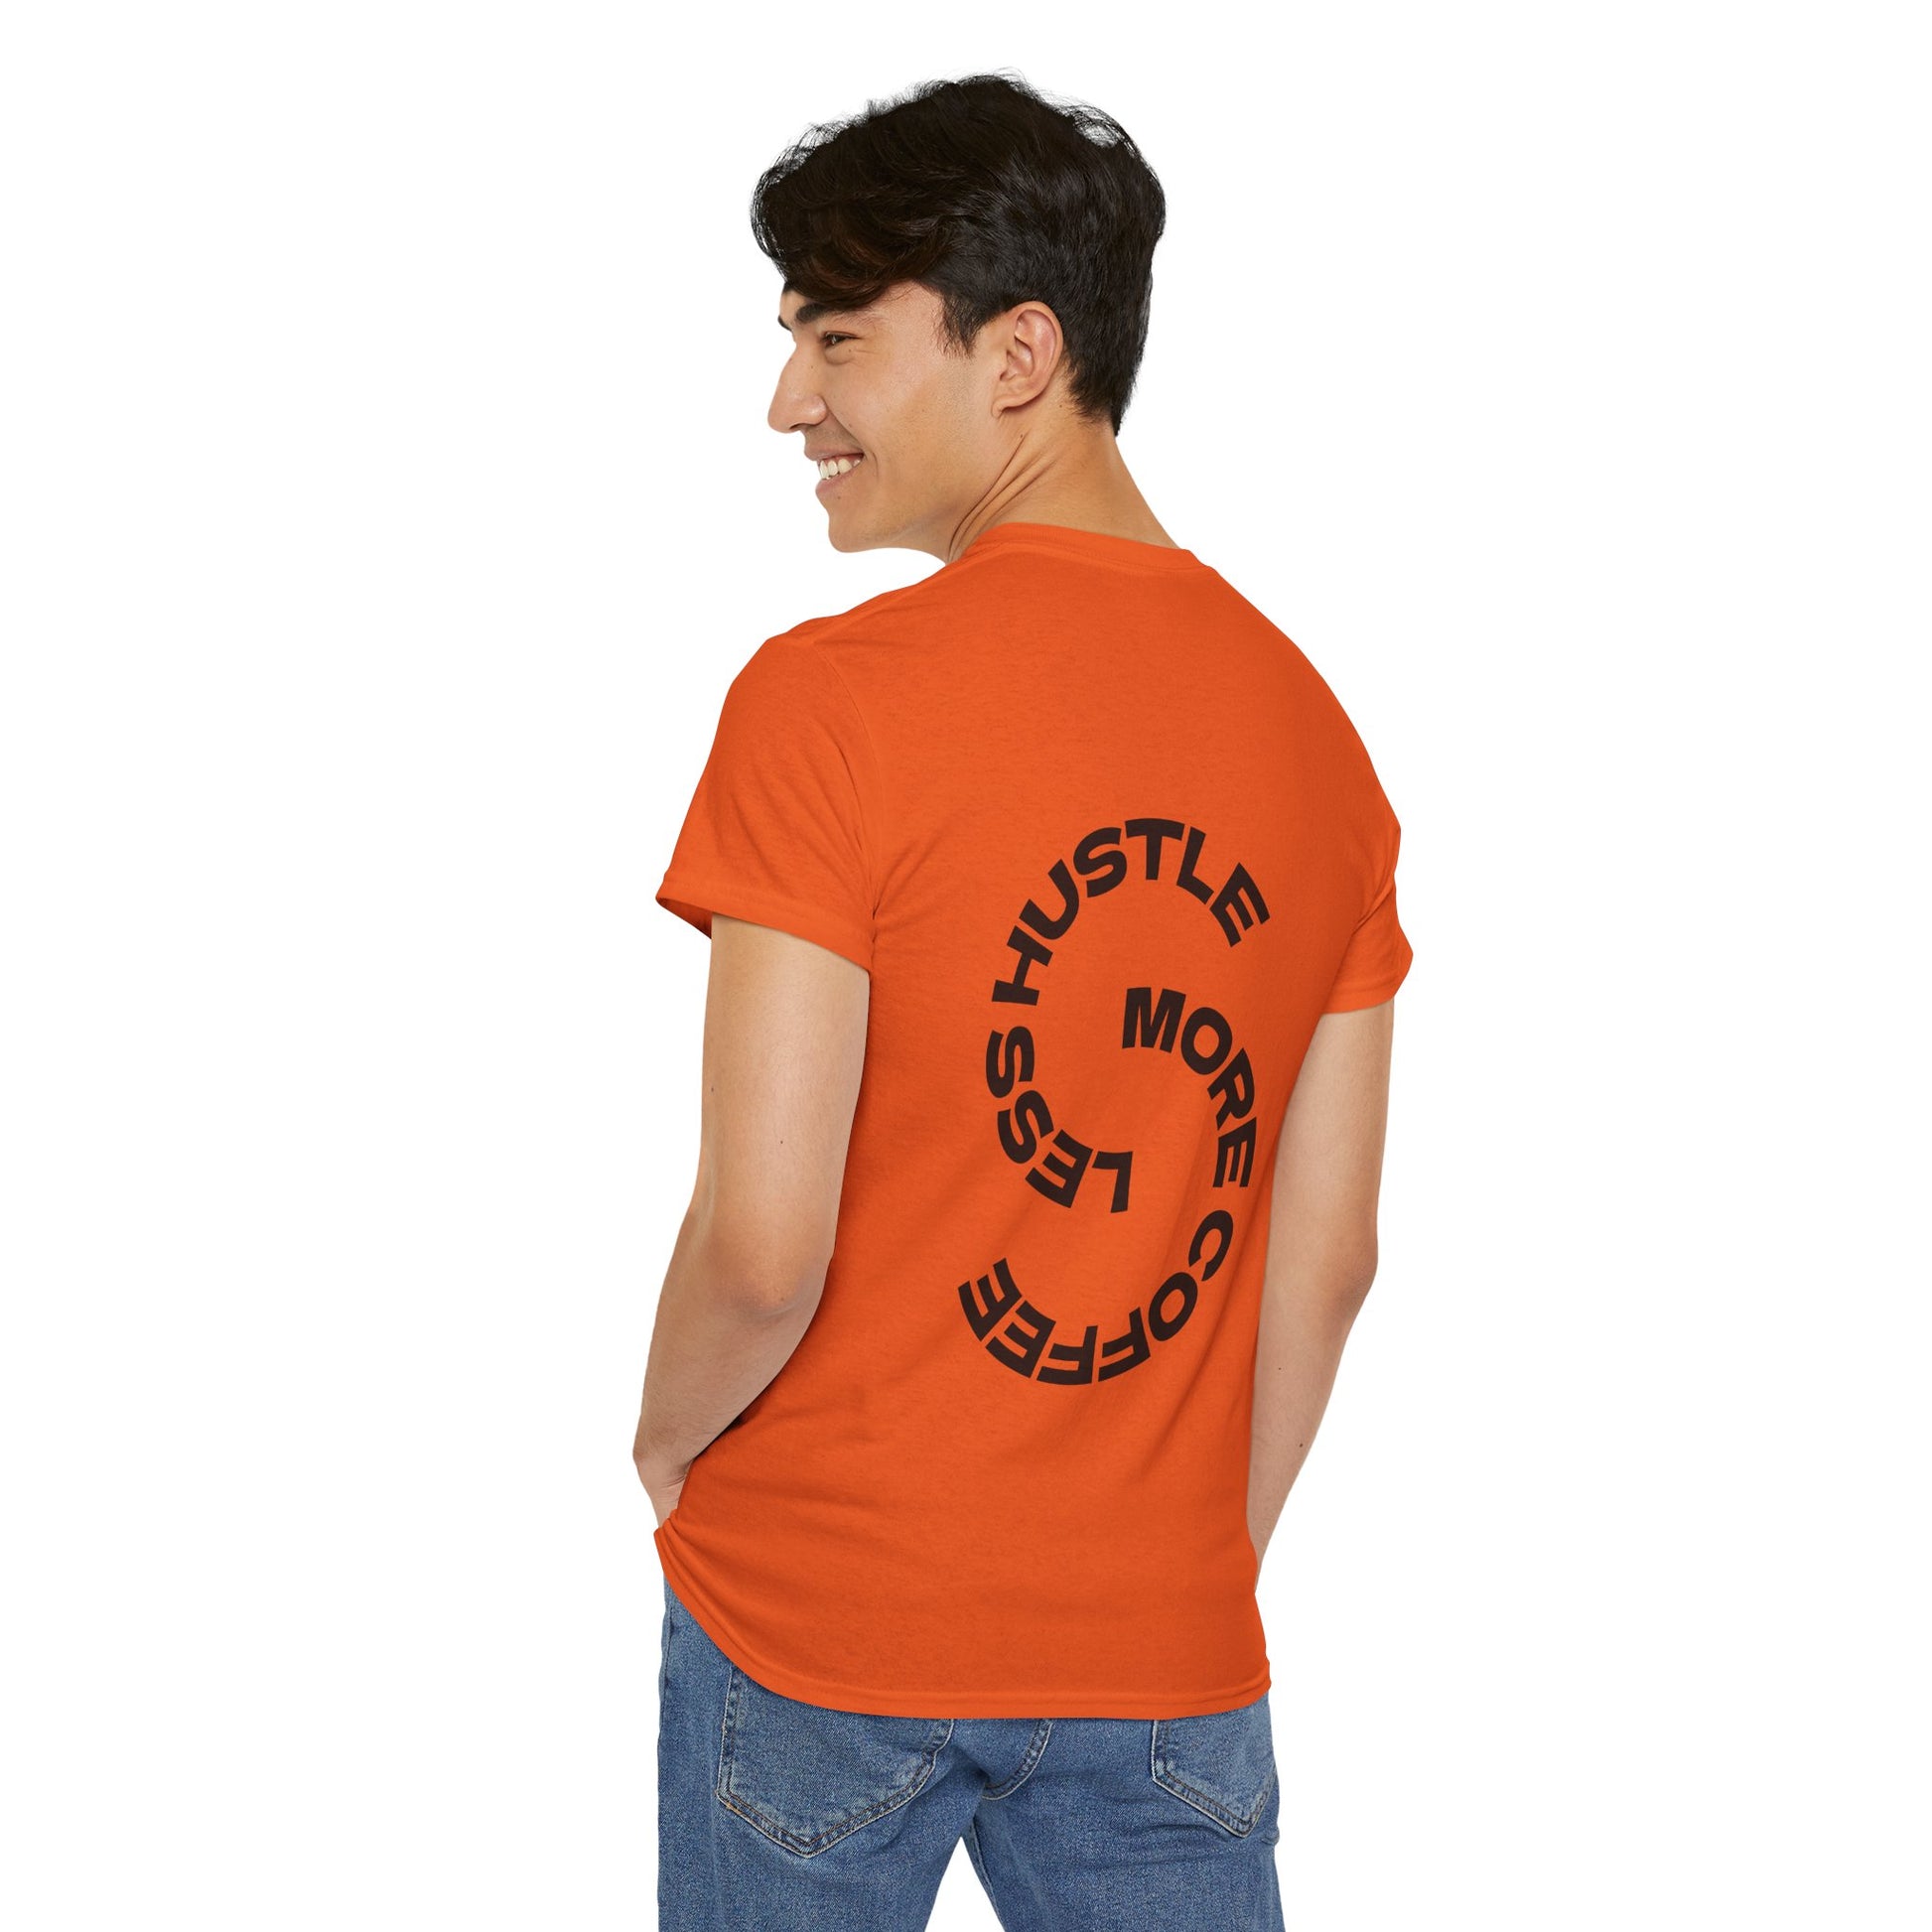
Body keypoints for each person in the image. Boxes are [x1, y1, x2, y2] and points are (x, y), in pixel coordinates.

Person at [631, 69, 1413, 1932]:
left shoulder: (827, 703)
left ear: (1019, 353)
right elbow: (1325, 1260)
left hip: (821, 1608)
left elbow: (762, 1239)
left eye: (835, 338)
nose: (788, 401)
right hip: (1163, 1655)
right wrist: (1173, 1564)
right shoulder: (1315, 739)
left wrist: (663, 1443)